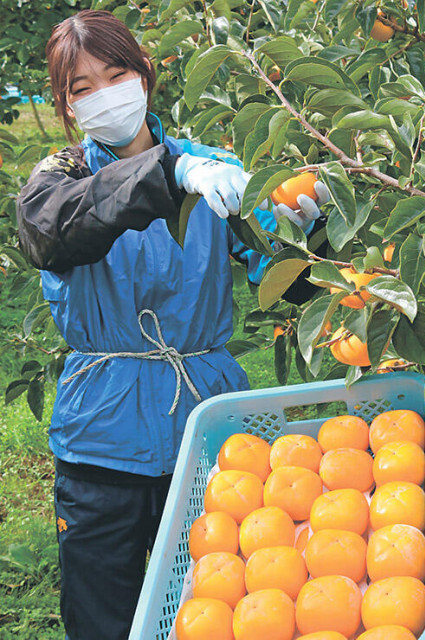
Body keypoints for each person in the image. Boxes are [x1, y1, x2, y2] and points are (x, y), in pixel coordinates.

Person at [16, 10, 329, 640]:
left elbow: (291, 281)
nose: (105, 94)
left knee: (215, 604)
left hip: (208, 426)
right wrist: (167, 173)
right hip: (102, 442)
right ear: (65, 104)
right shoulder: (62, 179)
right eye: (82, 87)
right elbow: (47, 229)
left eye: (116, 73)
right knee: (105, 615)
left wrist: (312, 231)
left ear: (145, 74)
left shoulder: (215, 170)